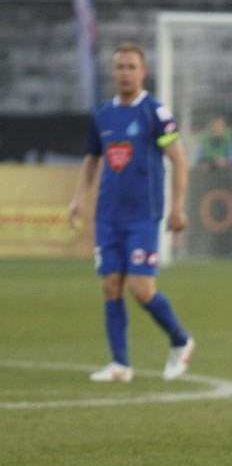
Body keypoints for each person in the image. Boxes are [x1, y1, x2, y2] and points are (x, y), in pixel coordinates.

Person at [67, 42, 195, 383]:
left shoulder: (155, 112)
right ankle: (120, 364)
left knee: (141, 289)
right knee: (111, 284)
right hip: (108, 214)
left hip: (143, 214)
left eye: (131, 67)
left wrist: (177, 207)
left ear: (143, 72)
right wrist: (78, 198)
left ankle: (181, 340)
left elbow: (179, 160)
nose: (125, 73)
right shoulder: (103, 114)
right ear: (112, 72)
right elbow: (93, 158)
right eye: (120, 67)